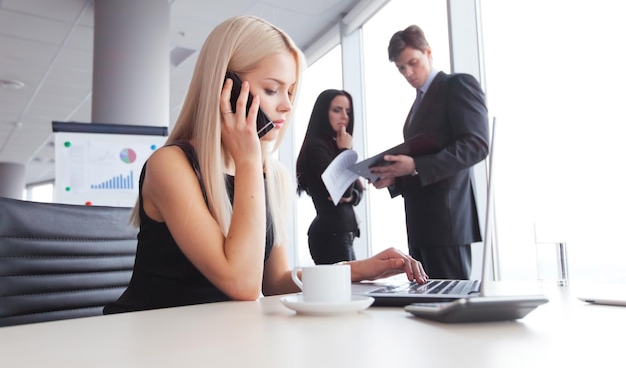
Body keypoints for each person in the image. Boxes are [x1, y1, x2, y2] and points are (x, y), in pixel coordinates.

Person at [103, 16, 428, 314]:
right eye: (272, 89)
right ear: (225, 89)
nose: (286, 105)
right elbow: (244, 286)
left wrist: (356, 269)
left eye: (290, 91)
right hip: (153, 342)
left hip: (215, 340)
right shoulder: (171, 166)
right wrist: (248, 159)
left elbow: (275, 281)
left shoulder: (270, 174)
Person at [369, 24, 489, 280]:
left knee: (452, 302)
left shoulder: (457, 85)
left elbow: (476, 145)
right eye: (401, 68)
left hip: (448, 220)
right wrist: (395, 176)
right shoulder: (418, 103)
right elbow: (422, 155)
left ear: (429, 52)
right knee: (428, 304)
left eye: (413, 62)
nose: (408, 73)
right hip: (421, 222)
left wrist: (413, 166)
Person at [296, 89, 364, 264]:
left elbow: (356, 193)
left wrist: (351, 196)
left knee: (349, 287)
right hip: (330, 235)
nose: (344, 117)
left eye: (348, 112)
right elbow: (342, 191)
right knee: (344, 289)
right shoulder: (317, 148)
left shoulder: (333, 146)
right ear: (323, 112)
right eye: (337, 110)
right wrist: (345, 151)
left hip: (341, 233)